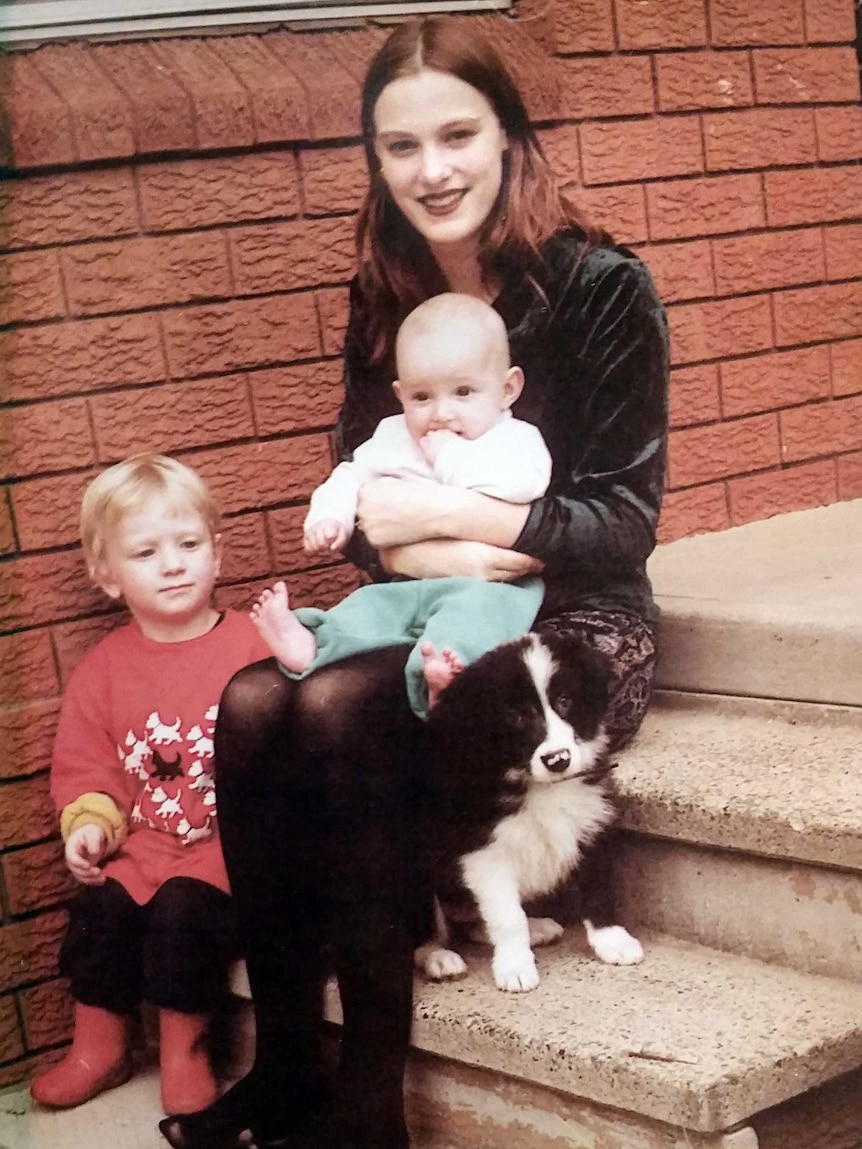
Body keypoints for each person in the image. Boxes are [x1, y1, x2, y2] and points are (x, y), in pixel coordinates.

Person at [159, 15, 668, 1149]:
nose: (432, 170)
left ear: (508, 135)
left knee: (338, 702)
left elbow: (619, 524)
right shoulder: (383, 290)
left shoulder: (600, 287)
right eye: (401, 146)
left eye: (457, 134)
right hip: (444, 591)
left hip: (576, 627)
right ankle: (291, 1062)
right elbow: (362, 525)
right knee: (252, 699)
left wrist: (450, 520)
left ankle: (368, 1099)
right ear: (376, 160)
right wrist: (465, 543)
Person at [32, 454, 271, 1115]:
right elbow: (88, 768)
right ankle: (100, 1045)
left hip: (229, 850)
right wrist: (90, 825)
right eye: (146, 552)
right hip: (147, 845)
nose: (172, 563)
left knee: (182, 913)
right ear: (107, 575)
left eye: (189, 544)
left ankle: (184, 1049)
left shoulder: (253, 645)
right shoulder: (103, 670)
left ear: (217, 554)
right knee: (101, 910)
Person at [251, 292, 550, 718]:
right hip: (409, 581)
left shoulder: (513, 439)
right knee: (367, 607)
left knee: (479, 619)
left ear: (507, 389)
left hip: (491, 585)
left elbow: (522, 486)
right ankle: (312, 645)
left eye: (463, 392)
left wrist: (446, 456)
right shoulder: (394, 436)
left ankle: (445, 680)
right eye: (422, 397)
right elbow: (351, 475)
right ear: (400, 395)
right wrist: (331, 516)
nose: (441, 413)